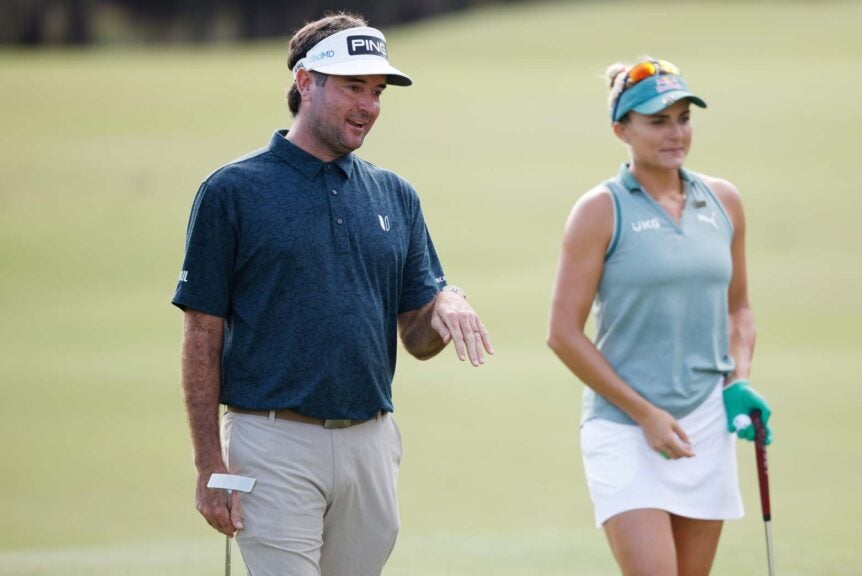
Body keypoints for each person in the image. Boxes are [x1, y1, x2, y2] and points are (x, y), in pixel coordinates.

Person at [172, 12, 494, 576]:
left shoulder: (395, 194)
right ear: (305, 83)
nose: (368, 105)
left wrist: (446, 303)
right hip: (272, 442)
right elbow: (202, 332)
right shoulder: (233, 191)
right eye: (352, 87)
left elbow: (416, 339)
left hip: (371, 441)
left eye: (376, 91)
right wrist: (207, 465)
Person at [547, 57, 773, 576]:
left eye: (683, 118)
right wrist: (644, 413)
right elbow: (562, 334)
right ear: (620, 129)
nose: (675, 133)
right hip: (625, 427)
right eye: (657, 121)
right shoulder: (599, 210)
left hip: (704, 423)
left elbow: (739, 307)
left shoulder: (723, 201)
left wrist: (740, 380)